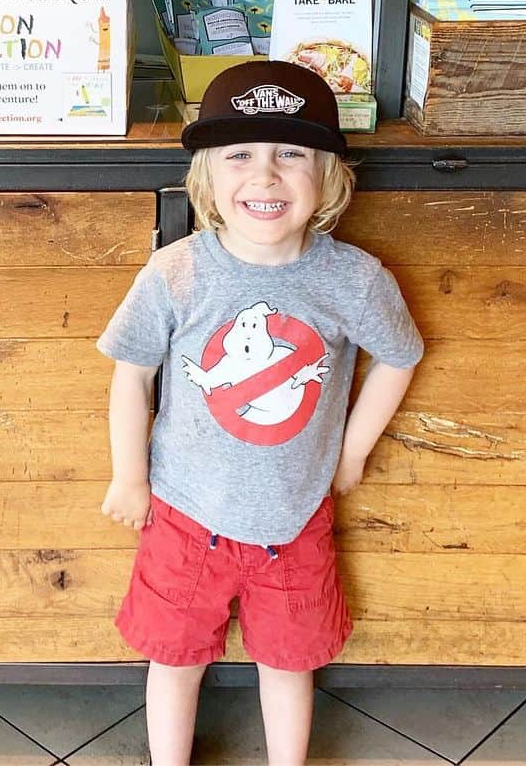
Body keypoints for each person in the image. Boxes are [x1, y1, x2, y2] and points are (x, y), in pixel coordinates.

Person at [97, 60, 423, 766]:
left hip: (297, 517)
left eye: (291, 154)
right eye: (240, 155)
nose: (265, 176)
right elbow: (132, 375)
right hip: (184, 516)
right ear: (209, 180)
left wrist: (353, 452)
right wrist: (129, 477)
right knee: (174, 658)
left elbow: (399, 356)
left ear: (330, 177)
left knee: (290, 661)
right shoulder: (176, 273)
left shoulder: (355, 280)